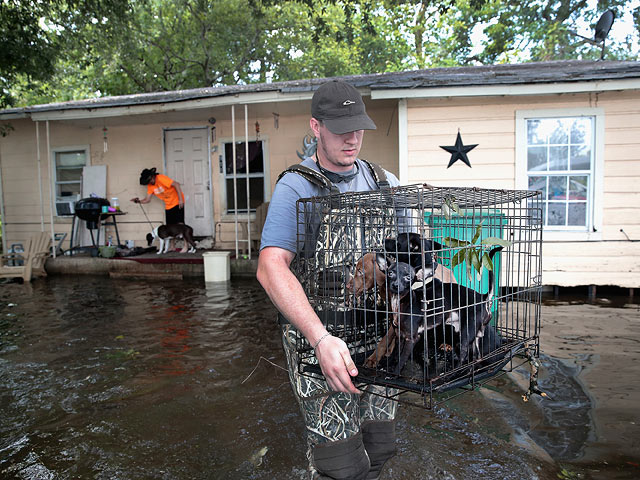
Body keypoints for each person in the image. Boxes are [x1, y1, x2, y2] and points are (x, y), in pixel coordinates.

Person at [257, 80, 401, 480]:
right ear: (316, 127)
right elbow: (270, 267)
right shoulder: (296, 187)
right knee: (342, 466)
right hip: (321, 341)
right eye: (340, 130)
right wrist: (320, 339)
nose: (352, 139)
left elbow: (414, 254)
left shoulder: (386, 183)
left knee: (381, 448)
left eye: (358, 128)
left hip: (380, 339)